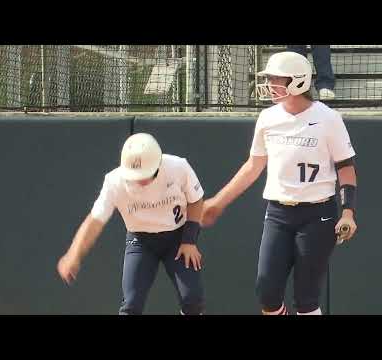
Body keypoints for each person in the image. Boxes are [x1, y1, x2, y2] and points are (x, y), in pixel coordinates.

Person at [202, 51, 357, 315]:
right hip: (278, 213)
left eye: (276, 79)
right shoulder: (268, 118)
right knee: (267, 291)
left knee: (306, 297)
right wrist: (218, 202)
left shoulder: (328, 118)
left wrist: (348, 213)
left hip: (317, 214)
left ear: (297, 81)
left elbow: (346, 168)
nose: (269, 84)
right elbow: (253, 166)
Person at [57, 133, 206, 315]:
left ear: (157, 164)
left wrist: (189, 240)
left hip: (178, 238)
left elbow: (196, 200)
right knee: (131, 304)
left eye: (145, 174)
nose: (140, 180)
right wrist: (74, 254)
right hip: (141, 241)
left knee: (192, 298)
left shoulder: (177, 167)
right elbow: (95, 221)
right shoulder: (114, 182)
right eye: (135, 175)